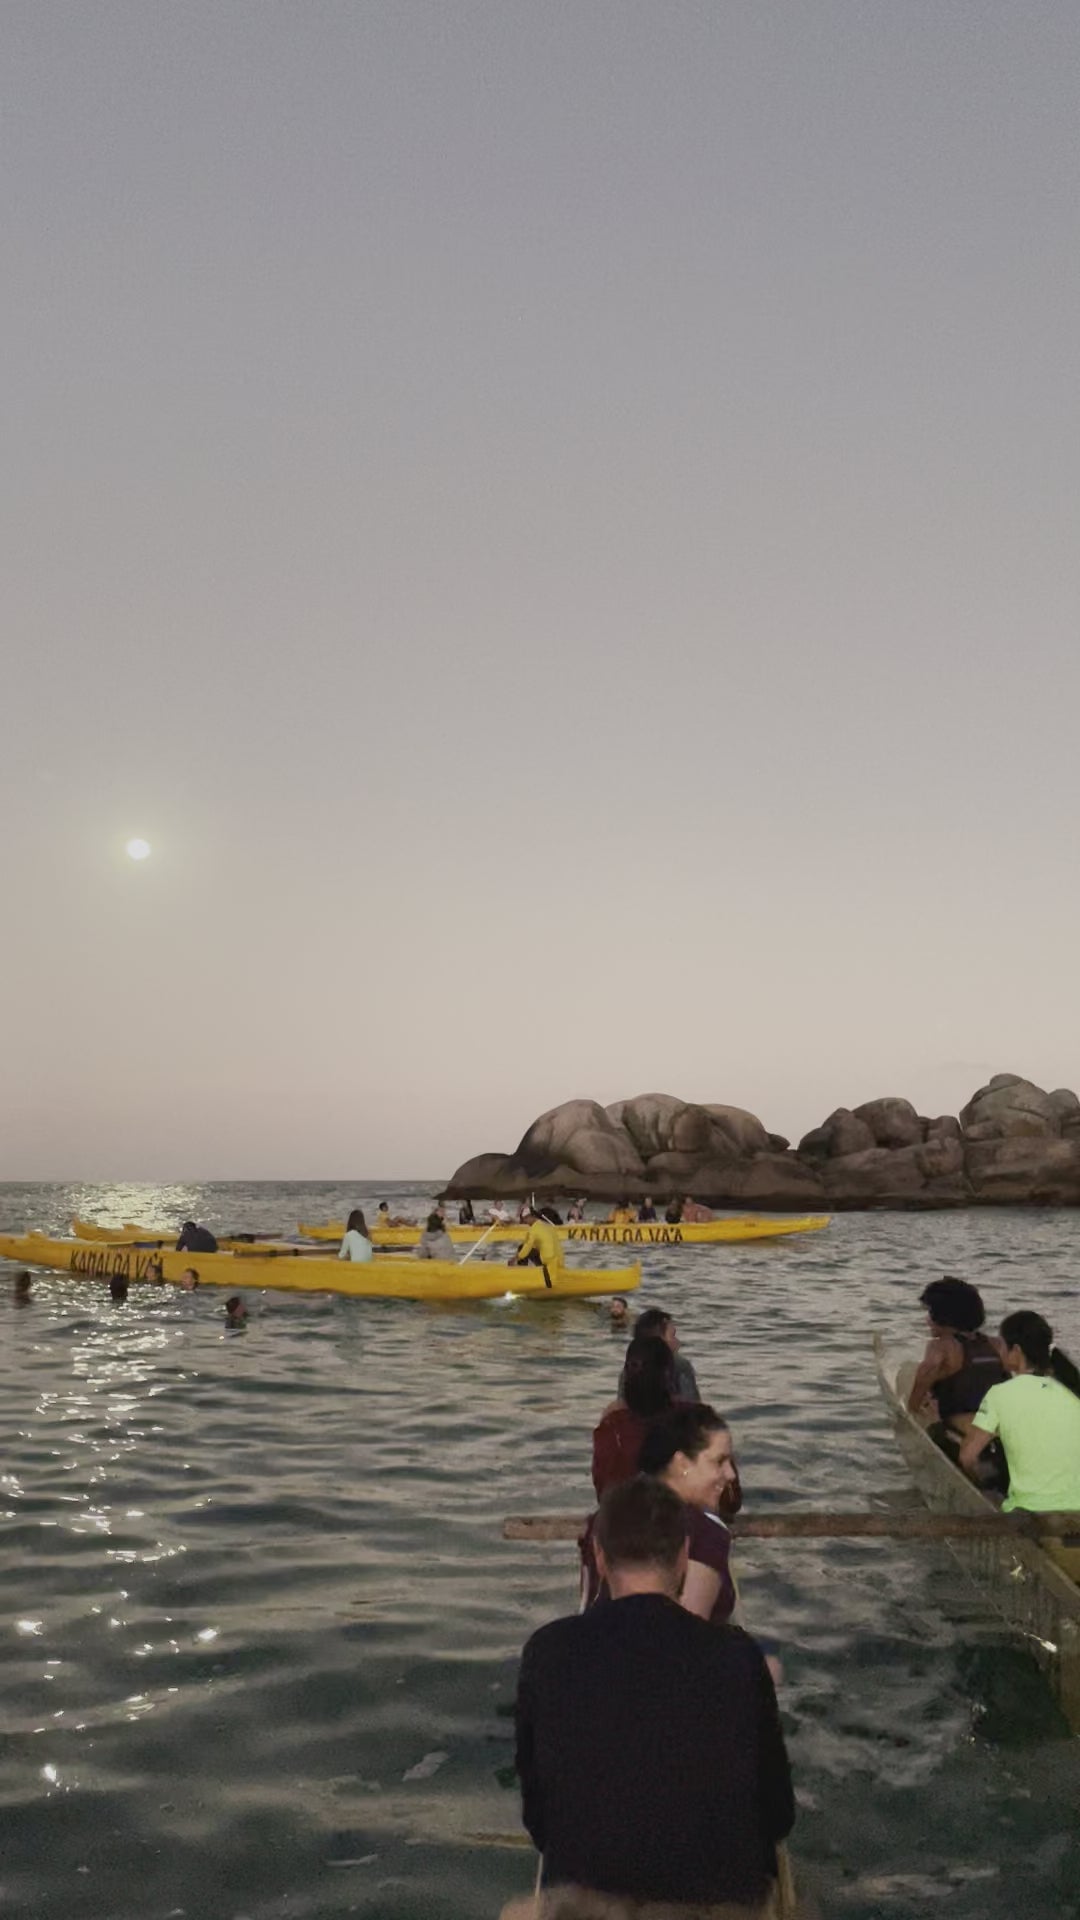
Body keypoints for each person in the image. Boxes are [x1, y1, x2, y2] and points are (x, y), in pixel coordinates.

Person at [514, 1476, 794, 1915]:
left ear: (601, 1559)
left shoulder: (547, 1651)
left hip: (586, 1903)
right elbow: (778, 1816)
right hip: (718, 1902)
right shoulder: (738, 1656)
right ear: (684, 1556)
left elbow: (540, 1822)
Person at [959, 1311, 1080, 1512]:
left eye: (1002, 1345)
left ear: (1016, 1350)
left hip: (1031, 1511)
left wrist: (978, 1483)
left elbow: (967, 1457)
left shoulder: (1000, 1393)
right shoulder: (1070, 1390)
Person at [906, 1276, 1007, 1442]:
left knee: (930, 1405)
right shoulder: (997, 1345)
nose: (927, 1320)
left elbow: (925, 1375)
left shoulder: (940, 1346)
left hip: (959, 1424)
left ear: (942, 1316)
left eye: (930, 1313)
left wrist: (911, 1410)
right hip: (996, 1422)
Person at [592, 1335, 679, 1497]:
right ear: (669, 1375)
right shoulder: (695, 1417)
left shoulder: (613, 1423)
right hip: (681, 1517)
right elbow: (730, 1500)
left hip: (621, 1517)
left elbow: (602, 1489)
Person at [619, 1306, 700, 1403]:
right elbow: (693, 1405)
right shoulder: (680, 1365)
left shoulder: (630, 1368)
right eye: (673, 1336)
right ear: (658, 1342)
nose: (678, 1342)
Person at [512, 1206, 562, 1286]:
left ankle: (521, 1273)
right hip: (559, 1262)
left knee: (522, 1247)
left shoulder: (533, 1230)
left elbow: (526, 1248)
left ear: (530, 1217)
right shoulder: (547, 1226)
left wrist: (515, 1259)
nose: (525, 1222)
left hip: (547, 1264)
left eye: (524, 1219)